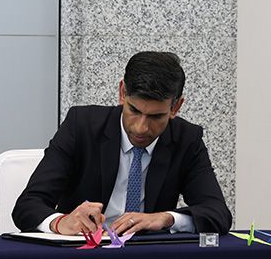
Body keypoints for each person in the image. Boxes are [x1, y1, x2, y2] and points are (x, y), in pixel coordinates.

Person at [12, 51, 232, 235]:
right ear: (122, 93)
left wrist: (166, 219)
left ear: (175, 107)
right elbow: (27, 205)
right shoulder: (82, 126)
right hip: (82, 258)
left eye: (156, 117)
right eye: (134, 111)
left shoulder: (187, 139)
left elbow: (218, 214)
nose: (141, 128)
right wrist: (61, 222)